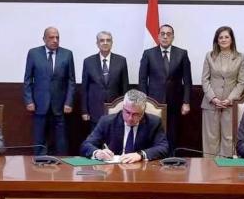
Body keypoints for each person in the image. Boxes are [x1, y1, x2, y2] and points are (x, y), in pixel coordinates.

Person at [138, 24, 192, 153]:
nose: (165, 37)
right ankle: (154, 157)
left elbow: (187, 80)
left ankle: (171, 158)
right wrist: (144, 101)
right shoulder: (148, 54)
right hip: (153, 102)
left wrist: (186, 102)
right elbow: (142, 80)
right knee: (154, 132)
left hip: (175, 101)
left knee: (173, 133)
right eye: (162, 34)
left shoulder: (182, 53)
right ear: (158, 36)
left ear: (173, 37)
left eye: (168, 34)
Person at [23, 26, 76, 155]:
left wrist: (69, 102)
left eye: (57, 37)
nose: (55, 40)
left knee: (61, 138)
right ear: (44, 39)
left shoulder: (67, 54)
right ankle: (39, 161)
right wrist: (29, 101)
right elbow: (28, 79)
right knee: (39, 136)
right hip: (39, 104)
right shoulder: (34, 53)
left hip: (60, 105)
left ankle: (62, 161)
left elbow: (71, 81)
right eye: (51, 37)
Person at [80, 89, 168, 163]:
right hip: (113, 170)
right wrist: (97, 153)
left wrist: (140, 155)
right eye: (127, 112)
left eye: (135, 114)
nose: (130, 118)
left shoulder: (154, 123)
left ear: (143, 112)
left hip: (142, 169)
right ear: (123, 107)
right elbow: (86, 144)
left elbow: (163, 147)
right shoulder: (107, 121)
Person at [201, 26, 244, 157]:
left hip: (230, 105)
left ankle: (227, 167)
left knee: (229, 138)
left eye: (226, 37)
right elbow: (205, 80)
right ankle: (209, 166)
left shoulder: (240, 57)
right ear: (217, 40)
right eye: (220, 37)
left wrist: (230, 100)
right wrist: (213, 98)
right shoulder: (209, 56)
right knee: (211, 139)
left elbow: (241, 82)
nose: (223, 39)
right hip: (211, 104)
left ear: (232, 40)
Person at [81, 31, 129, 129]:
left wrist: (125, 109)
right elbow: (84, 88)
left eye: (108, 40)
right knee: (97, 136)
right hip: (95, 109)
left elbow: (125, 87)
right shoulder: (88, 61)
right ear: (97, 44)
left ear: (112, 43)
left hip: (116, 109)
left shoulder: (121, 61)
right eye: (102, 40)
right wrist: (85, 111)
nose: (105, 43)